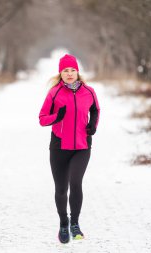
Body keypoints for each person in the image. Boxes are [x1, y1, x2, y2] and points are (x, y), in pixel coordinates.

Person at [38, 54, 100, 244]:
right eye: (66, 70)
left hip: (82, 146)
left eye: (73, 70)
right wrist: (57, 116)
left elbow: (96, 110)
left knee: (75, 183)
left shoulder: (89, 92)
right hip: (59, 147)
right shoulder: (54, 93)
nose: (70, 73)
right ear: (61, 73)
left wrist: (93, 126)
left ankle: (75, 224)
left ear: (77, 71)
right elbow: (42, 118)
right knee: (61, 189)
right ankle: (63, 224)